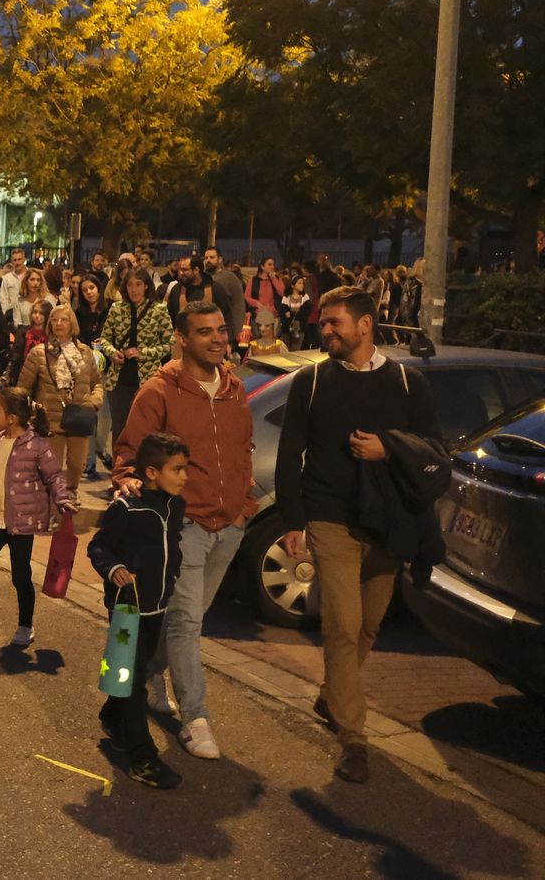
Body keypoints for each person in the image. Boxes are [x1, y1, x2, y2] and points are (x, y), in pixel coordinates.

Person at [276, 287, 441, 784]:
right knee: (342, 626)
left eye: (335, 323)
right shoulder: (312, 383)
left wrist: (387, 450)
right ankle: (354, 739)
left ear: (365, 325)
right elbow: (289, 454)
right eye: (323, 323)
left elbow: (431, 448)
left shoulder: (409, 385)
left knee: (369, 625)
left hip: (388, 522)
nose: (324, 330)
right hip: (330, 519)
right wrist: (291, 520)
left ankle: (332, 695)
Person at [112, 300, 258, 763]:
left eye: (221, 330)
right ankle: (195, 718)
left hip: (229, 526)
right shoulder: (159, 391)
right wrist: (134, 486)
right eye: (205, 332)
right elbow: (128, 457)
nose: (218, 339)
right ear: (182, 338)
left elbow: (242, 449)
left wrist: (245, 505)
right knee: (186, 623)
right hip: (182, 527)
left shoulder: (235, 389)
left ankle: (154, 675)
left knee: (185, 622)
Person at [89, 432, 191, 791]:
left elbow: (170, 547)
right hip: (128, 610)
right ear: (151, 471)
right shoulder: (126, 508)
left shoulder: (174, 506)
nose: (183, 477)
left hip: (157, 608)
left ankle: (112, 717)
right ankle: (142, 758)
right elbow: (99, 547)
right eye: (176, 470)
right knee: (131, 682)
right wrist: (113, 568)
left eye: (185, 469)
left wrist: (172, 572)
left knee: (135, 671)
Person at [0, 388, 70, 646]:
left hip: (21, 523)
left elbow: (54, 476)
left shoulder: (37, 445)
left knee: (21, 575)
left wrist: (63, 499)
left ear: (12, 418)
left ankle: (25, 624)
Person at [13, 303, 103, 490]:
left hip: (79, 417)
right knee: (51, 468)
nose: (59, 324)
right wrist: (33, 411)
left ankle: (70, 497)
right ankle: (52, 502)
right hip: (51, 419)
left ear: (73, 324)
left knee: (77, 465)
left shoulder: (85, 352)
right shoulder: (39, 352)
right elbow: (22, 389)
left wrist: (94, 402)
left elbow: (97, 383)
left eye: (64, 320)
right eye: (54, 320)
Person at [95, 269, 173, 447]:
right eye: (129, 285)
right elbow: (105, 338)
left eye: (138, 284)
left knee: (147, 429)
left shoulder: (158, 310)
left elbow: (170, 344)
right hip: (119, 378)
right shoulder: (117, 308)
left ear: (146, 286)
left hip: (148, 379)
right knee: (120, 428)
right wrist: (112, 352)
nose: (133, 289)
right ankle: (120, 471)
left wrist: (143, 353)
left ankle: (143, 470)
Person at [202, 247, 247, 338]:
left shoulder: (230, 278)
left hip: (224, 329)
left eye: (212, 257)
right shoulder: (201, 279)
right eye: (206, 258)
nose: (208, 260)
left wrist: (234, 334)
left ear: (220, 259)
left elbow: (239, 306)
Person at [0, 249, 29, 314]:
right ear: (11, 261)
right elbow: (4, 300)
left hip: (30, 313)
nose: (17, 262)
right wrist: (5, 315)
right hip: (13, 315)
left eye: (19, 259)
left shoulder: (31, 275)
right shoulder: (7, 278)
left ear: (24, 260)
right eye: (15, 260)